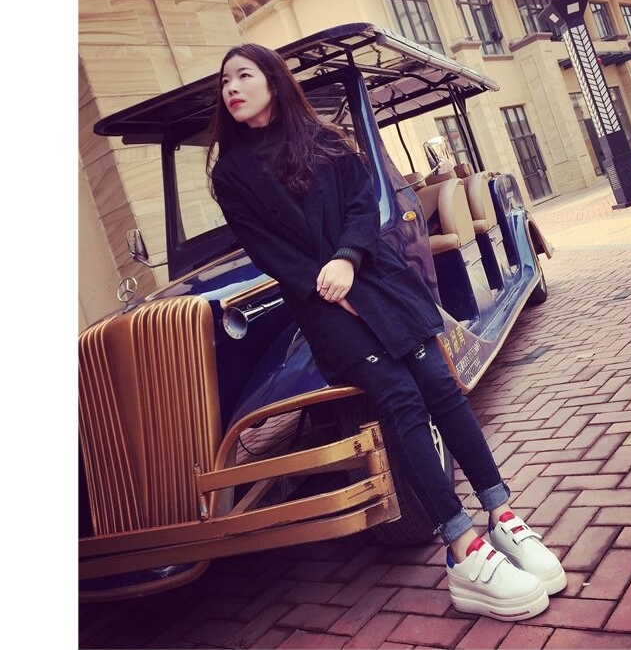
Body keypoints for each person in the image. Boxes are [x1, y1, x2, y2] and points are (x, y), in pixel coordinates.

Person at [206, 43, 566, 622]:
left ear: (273, 80)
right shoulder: (230, 172)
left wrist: (347, 258)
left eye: (243, 75)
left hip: (376, 276)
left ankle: (502, 515)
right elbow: (265, 248)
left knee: (442, 388)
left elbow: (362, 207)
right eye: (225, 81)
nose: (232, 88)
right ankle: (461, 546)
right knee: (399, 401)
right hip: (319, 301)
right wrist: (328, 284)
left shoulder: (325, 140)